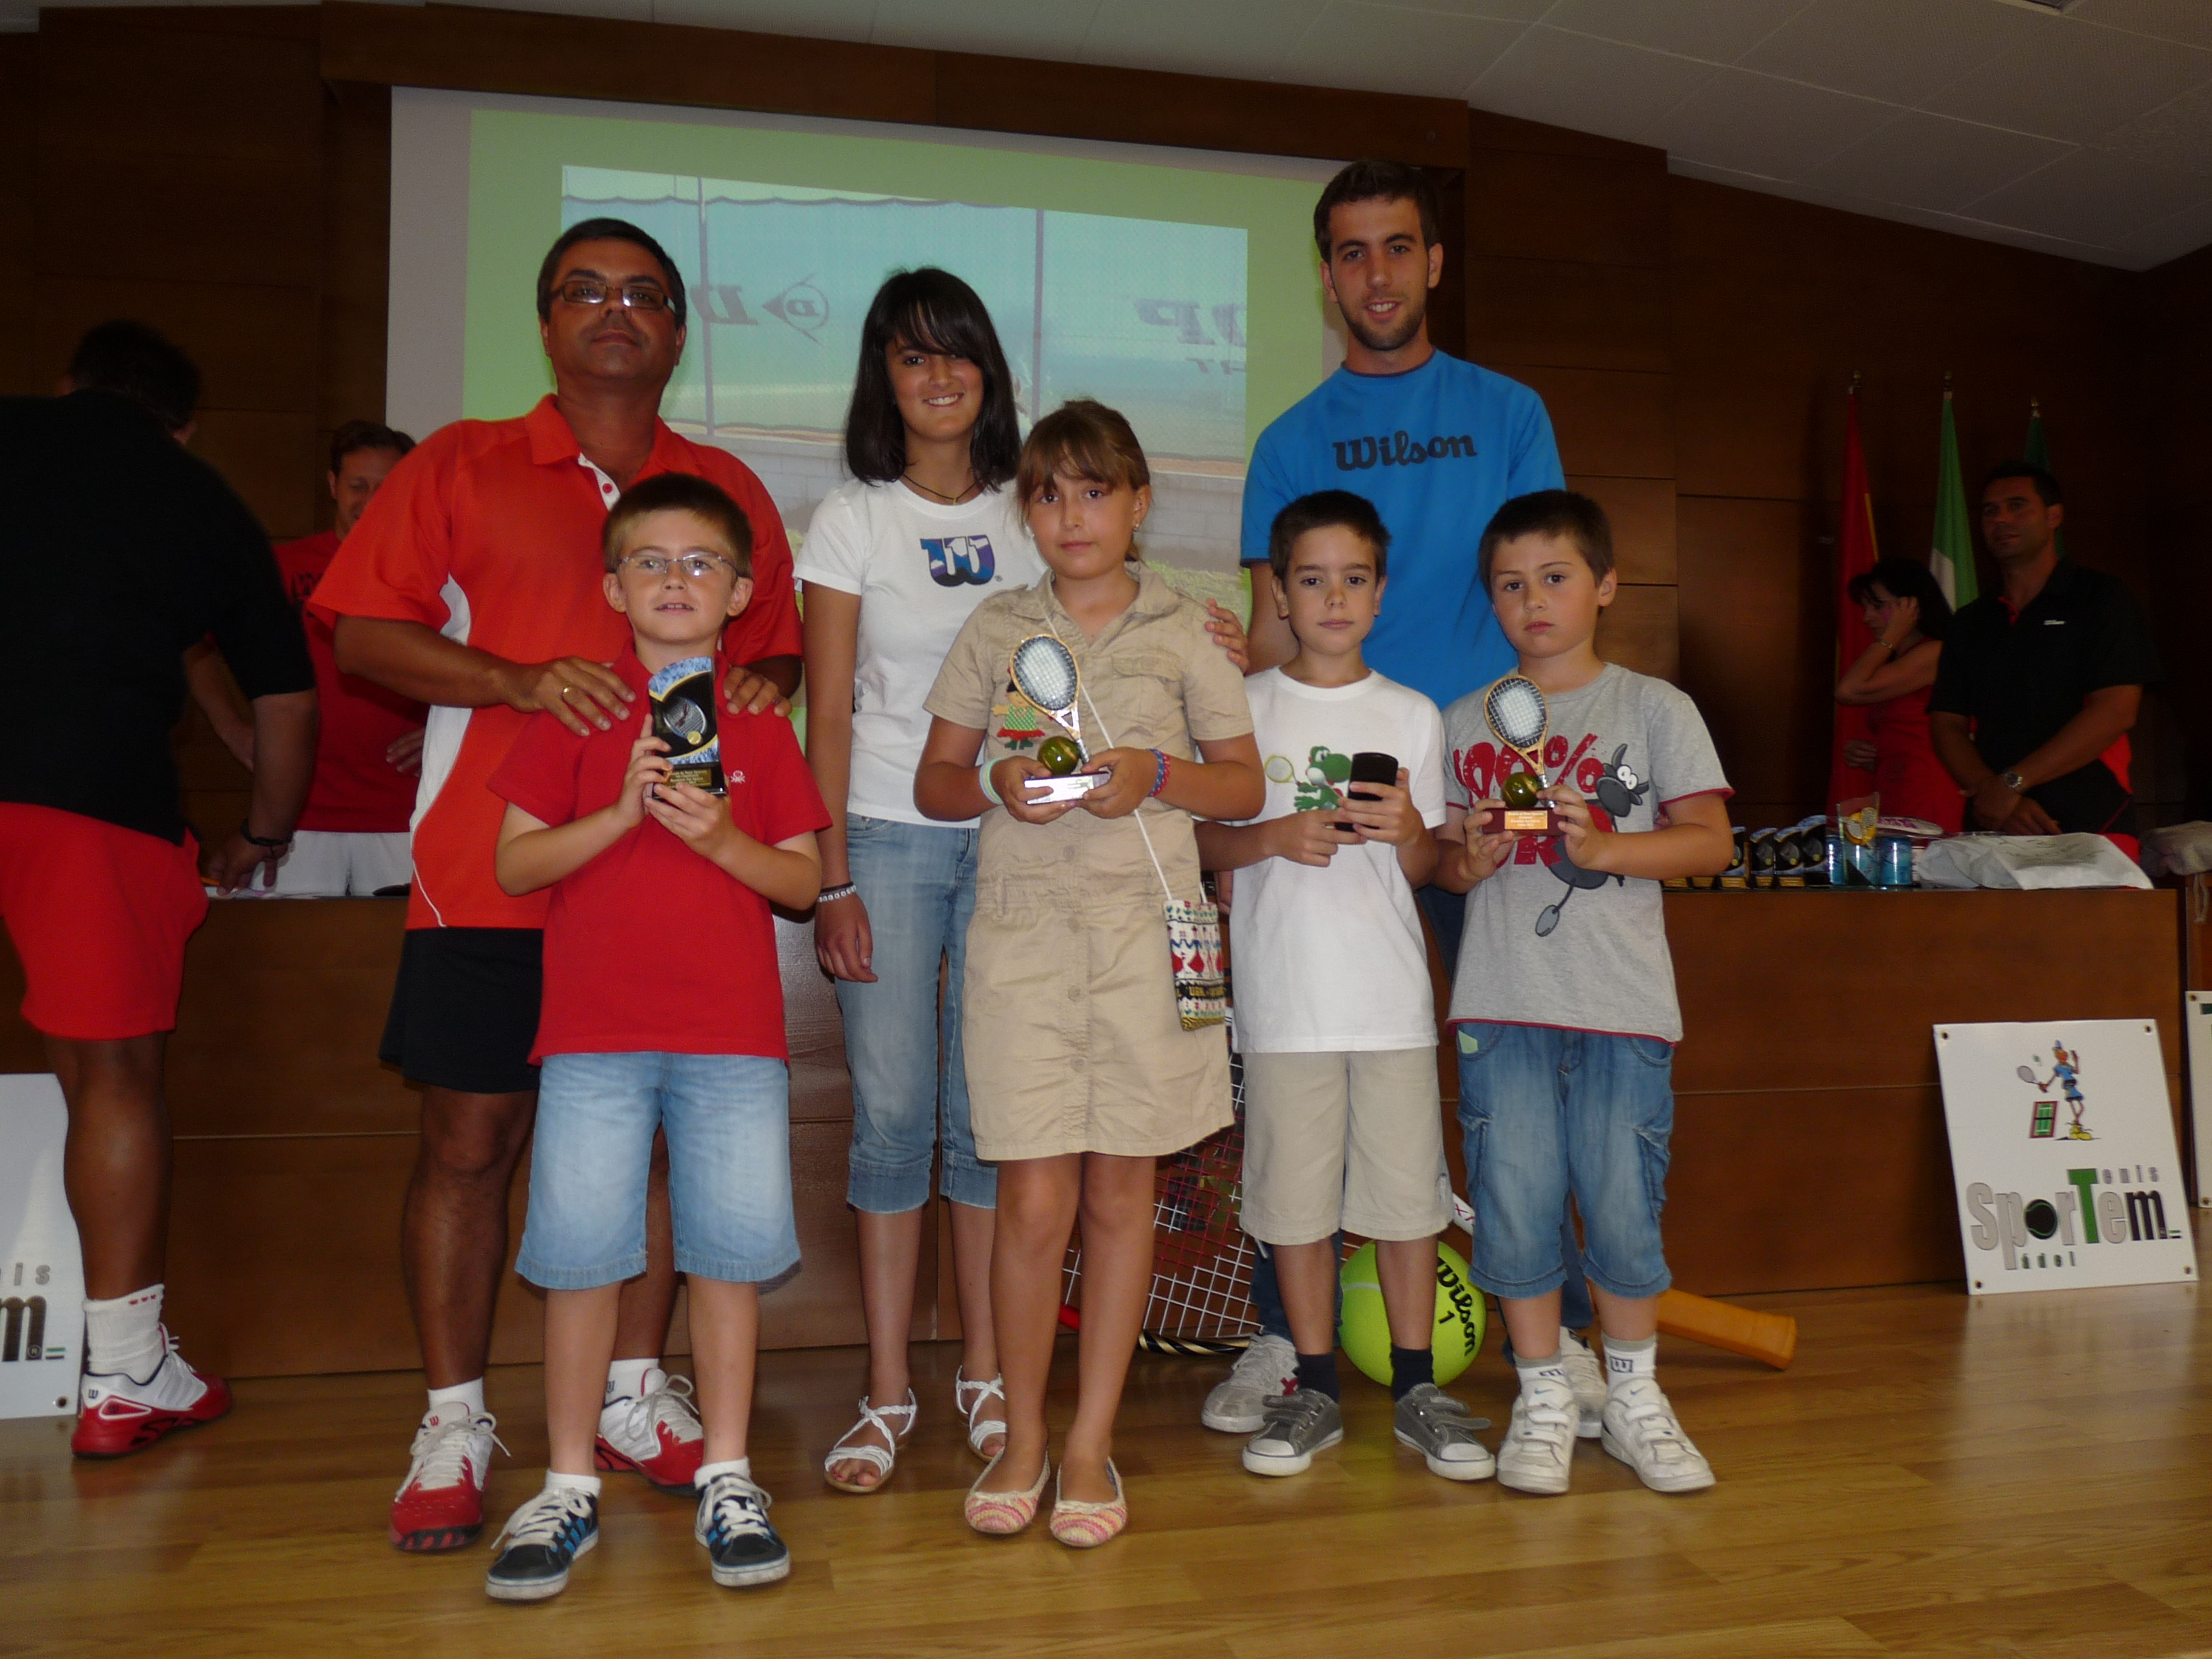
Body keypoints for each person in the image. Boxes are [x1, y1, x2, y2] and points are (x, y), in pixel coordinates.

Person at [313, 218, 803, 1552]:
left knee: (654, 1148)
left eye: (643, 293)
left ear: (678, 330)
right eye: (584, 290)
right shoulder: (460, 461)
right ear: (544, 322)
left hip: (672, 891)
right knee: (468, 1144)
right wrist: (517, 682)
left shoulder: (725, 484)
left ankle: (636, 1393)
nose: (614, 310)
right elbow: (364, 637)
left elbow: (773, 653)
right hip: (494, 872)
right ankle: (455, 1418)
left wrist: (767, 688)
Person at [1210, 156, 1585, 1438]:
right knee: (1296, 1087)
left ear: (1433, 262)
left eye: (1397, 247)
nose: (1374, 274)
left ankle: (1552, 1344)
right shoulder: (1287, 441)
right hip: (1322, 799)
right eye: (1350, 252)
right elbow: (1269, 631)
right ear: (1325, 275)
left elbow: (1542, 585)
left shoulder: (1509, 410)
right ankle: (1290, 1346)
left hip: (1477, 778)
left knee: (1513, 1080)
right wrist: (1229, 743)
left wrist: (1520, 773)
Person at [915, 400, 1262, 1546]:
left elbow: (1243, 784)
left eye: (1096, 491)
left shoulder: (1185, 631)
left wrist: (1155, 772)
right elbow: (934, 780)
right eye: (1049, 494)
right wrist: (994, 784)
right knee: (1030, 1203)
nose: (1073, 516)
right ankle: (1019, 1438)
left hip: (1145, 945)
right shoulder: (996, 625)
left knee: (1120, 1198)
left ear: (1139, 503)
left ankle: (1086, 1446)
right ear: (1026, 511)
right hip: (1021, 948)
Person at [482, 473, 827, 1600]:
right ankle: (568, 1482)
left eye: (701, 563)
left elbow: (802, 883)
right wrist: (621, 813)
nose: (676, 580)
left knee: (727, 1259)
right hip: (593, 1037)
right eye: (650, 561)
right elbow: (514, 864)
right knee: (582, 1259)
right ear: (611, 587)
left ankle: (728, 1473)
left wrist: (720, 838)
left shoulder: (760, 723)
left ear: (740, 594)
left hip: (731, 1037)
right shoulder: (577, 712)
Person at [0, 321, 318, 1455]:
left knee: (83, 1065)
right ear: (181, 426)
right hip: (86, 800)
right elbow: (288, 703)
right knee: (116, 1071)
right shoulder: (199, 500)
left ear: (68, 385)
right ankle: (128, 1372)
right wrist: (263, 831)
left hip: (62, 798)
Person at [1435, 489, 1733, 1497]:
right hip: (1501, 1003)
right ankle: (1544, 1392)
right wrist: (1468, 860)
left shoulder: (1654, 708)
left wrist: (1603, 847)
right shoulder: (1462, 719)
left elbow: (1710, 843)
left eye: (1554, 578)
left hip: (1621, 1006)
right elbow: (1443, 864)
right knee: (1514, 1205)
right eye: (1509, 585)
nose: (1533, 601)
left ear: (1604, 585)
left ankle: (1635, 1394)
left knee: (1620, 1207)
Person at [797, 269, 1041, 1492]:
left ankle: (986, 1374)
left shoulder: (1034, 508)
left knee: (989, 1117)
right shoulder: (852, 517)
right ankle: (888, 1388)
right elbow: (829, 711)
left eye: (957, 351)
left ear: (988, 369)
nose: (938, 375)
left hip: (1021, 843)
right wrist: (829, 878)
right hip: (885, 839)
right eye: (911, 355)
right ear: (881, 378)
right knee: (894, 1118)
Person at [1194, 491, 1492, 1485]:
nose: (1333, 597)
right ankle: (1314, 1384)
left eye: (1352, 579)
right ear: (1278, 592)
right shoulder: (1243, 706)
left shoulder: (1410, 714)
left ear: (1379, 592)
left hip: (1390, 1004)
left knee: (1407, 1205)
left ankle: (1416, 1388)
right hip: (1284, 1006)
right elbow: (1199, 840)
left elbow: (1430, 865)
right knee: (1293, 1209)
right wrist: (1273, 837)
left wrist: (1409, 831)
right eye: (1312, 579)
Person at [200, 422, 429, 896]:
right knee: (290, 945)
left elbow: (493, 664)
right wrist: (230, 728)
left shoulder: (436, 573)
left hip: (404, 814)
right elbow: (191, 645)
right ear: (332, 485)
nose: (371, 501)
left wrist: (450, 730)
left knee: (395, 946)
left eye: (386, 488)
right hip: (292, 820)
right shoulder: (279, 567)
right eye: (358, 486)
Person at [1929, 462, 2159, 854]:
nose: (2001, 519)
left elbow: (2117, 710)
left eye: (2017, 506)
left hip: (2090, 822)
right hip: (1995, 827)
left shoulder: (2101, 598)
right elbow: (1947, 723)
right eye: (1990, 511)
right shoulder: (1971, 621)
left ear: (2054, 516)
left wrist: (2012, 784)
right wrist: (1993, 795)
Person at [1833, 556, 1960, 833]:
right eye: (1865, 607)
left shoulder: (1935, 652)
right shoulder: (1898, 661)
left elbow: (1848, 691)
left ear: (1912, 606)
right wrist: (1869, 755)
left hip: (1928, 790)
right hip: (1895, 788)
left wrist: (1891, 634)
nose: (1867, 617)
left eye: (1878, 606)